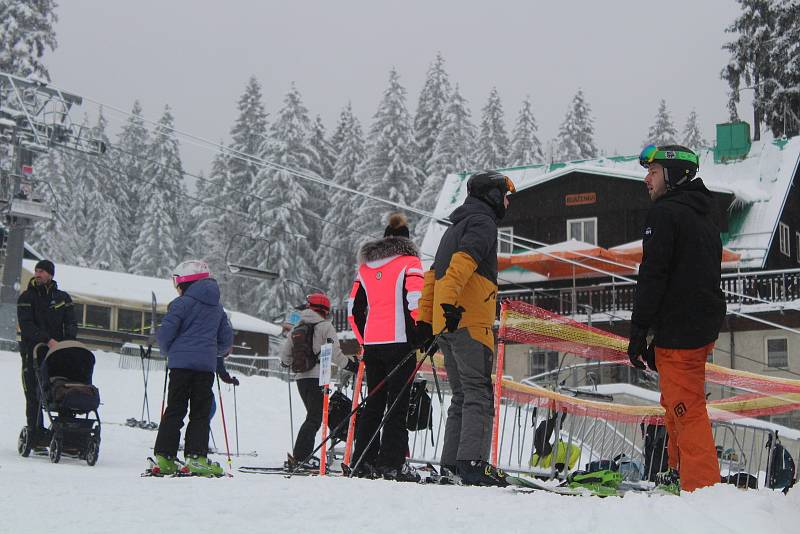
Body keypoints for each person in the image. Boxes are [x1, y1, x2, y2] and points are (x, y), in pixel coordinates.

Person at [628, 144, 726, 493]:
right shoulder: (702, 212)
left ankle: (702, 488)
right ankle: (678, 469)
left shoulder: (666, 213)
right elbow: (690, 276)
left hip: (683, 328)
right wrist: (659, 337)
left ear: (672, 175)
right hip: (694, 325)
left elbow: (654, 274)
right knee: (674, 400)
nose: (646, 180)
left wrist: (639, 330)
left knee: (686, 407)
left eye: (653, 173)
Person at [418, 171, 516, 486]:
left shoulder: (454, 227)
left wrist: (427, 320)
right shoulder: (482, 224)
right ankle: (473, 463)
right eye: (505, 195)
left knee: (462, 395)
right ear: (491, 195)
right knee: (478, 394)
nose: (507, 202)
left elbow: (433, 276)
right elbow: (461, 265)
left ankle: (453, 464)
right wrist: (447, 309)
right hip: (469, 321)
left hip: (449, 324)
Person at [347, 212, 425, 481]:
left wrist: (364, 340)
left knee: (374, 403)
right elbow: (415, 301)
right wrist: (420, 335)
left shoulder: (366, 269)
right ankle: (391, 463)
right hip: (400, 344)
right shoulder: (410, 262)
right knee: (397, 405)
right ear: (406, 240)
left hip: (374, 345)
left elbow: (352, 310)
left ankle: (362, 460)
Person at [153, 260, 234, 477]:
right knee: (200, 412)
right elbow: (226, 340)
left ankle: (165, 457)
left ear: (185, 283)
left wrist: (169, 351)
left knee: (175, 409)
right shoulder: (217, 308)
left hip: (180, 366)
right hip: (205, 369)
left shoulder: (181, 304)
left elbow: (165, 334)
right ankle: (196, 457)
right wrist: (212, 351)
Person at [280, 292, 352, 469]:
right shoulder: (325, 326)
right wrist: (350, 365)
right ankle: (302, 457)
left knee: (312, 416)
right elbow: (335, 354)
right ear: (325, 310)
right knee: (314, 418)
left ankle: (301, 455)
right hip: (317, 377)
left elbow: (284, 358)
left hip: (301, 379)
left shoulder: (297, 328)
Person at [17, 259, 78, 450]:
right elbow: (26, 325)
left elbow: (71, 322)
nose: (38, 274)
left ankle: (67, 432)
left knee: (61, 390)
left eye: (42, 271)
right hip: (33, 352)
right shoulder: (27, 297)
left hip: (57, 353)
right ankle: (35, 433)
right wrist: (47, 340)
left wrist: (68, 341)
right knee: (34, 393)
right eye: (37, 270)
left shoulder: (62, 298)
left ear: (50, 275)